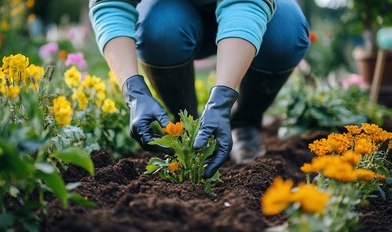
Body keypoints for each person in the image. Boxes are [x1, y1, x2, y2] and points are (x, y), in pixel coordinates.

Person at [88, 0, 309, 179]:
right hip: (174, 15)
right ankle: (187, 128)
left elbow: (245, 4)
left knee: (286, 34)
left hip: (251, 15)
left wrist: (221, 101)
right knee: (158, 29)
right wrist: (133, 91)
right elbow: (110, 4)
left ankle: (244, 123)